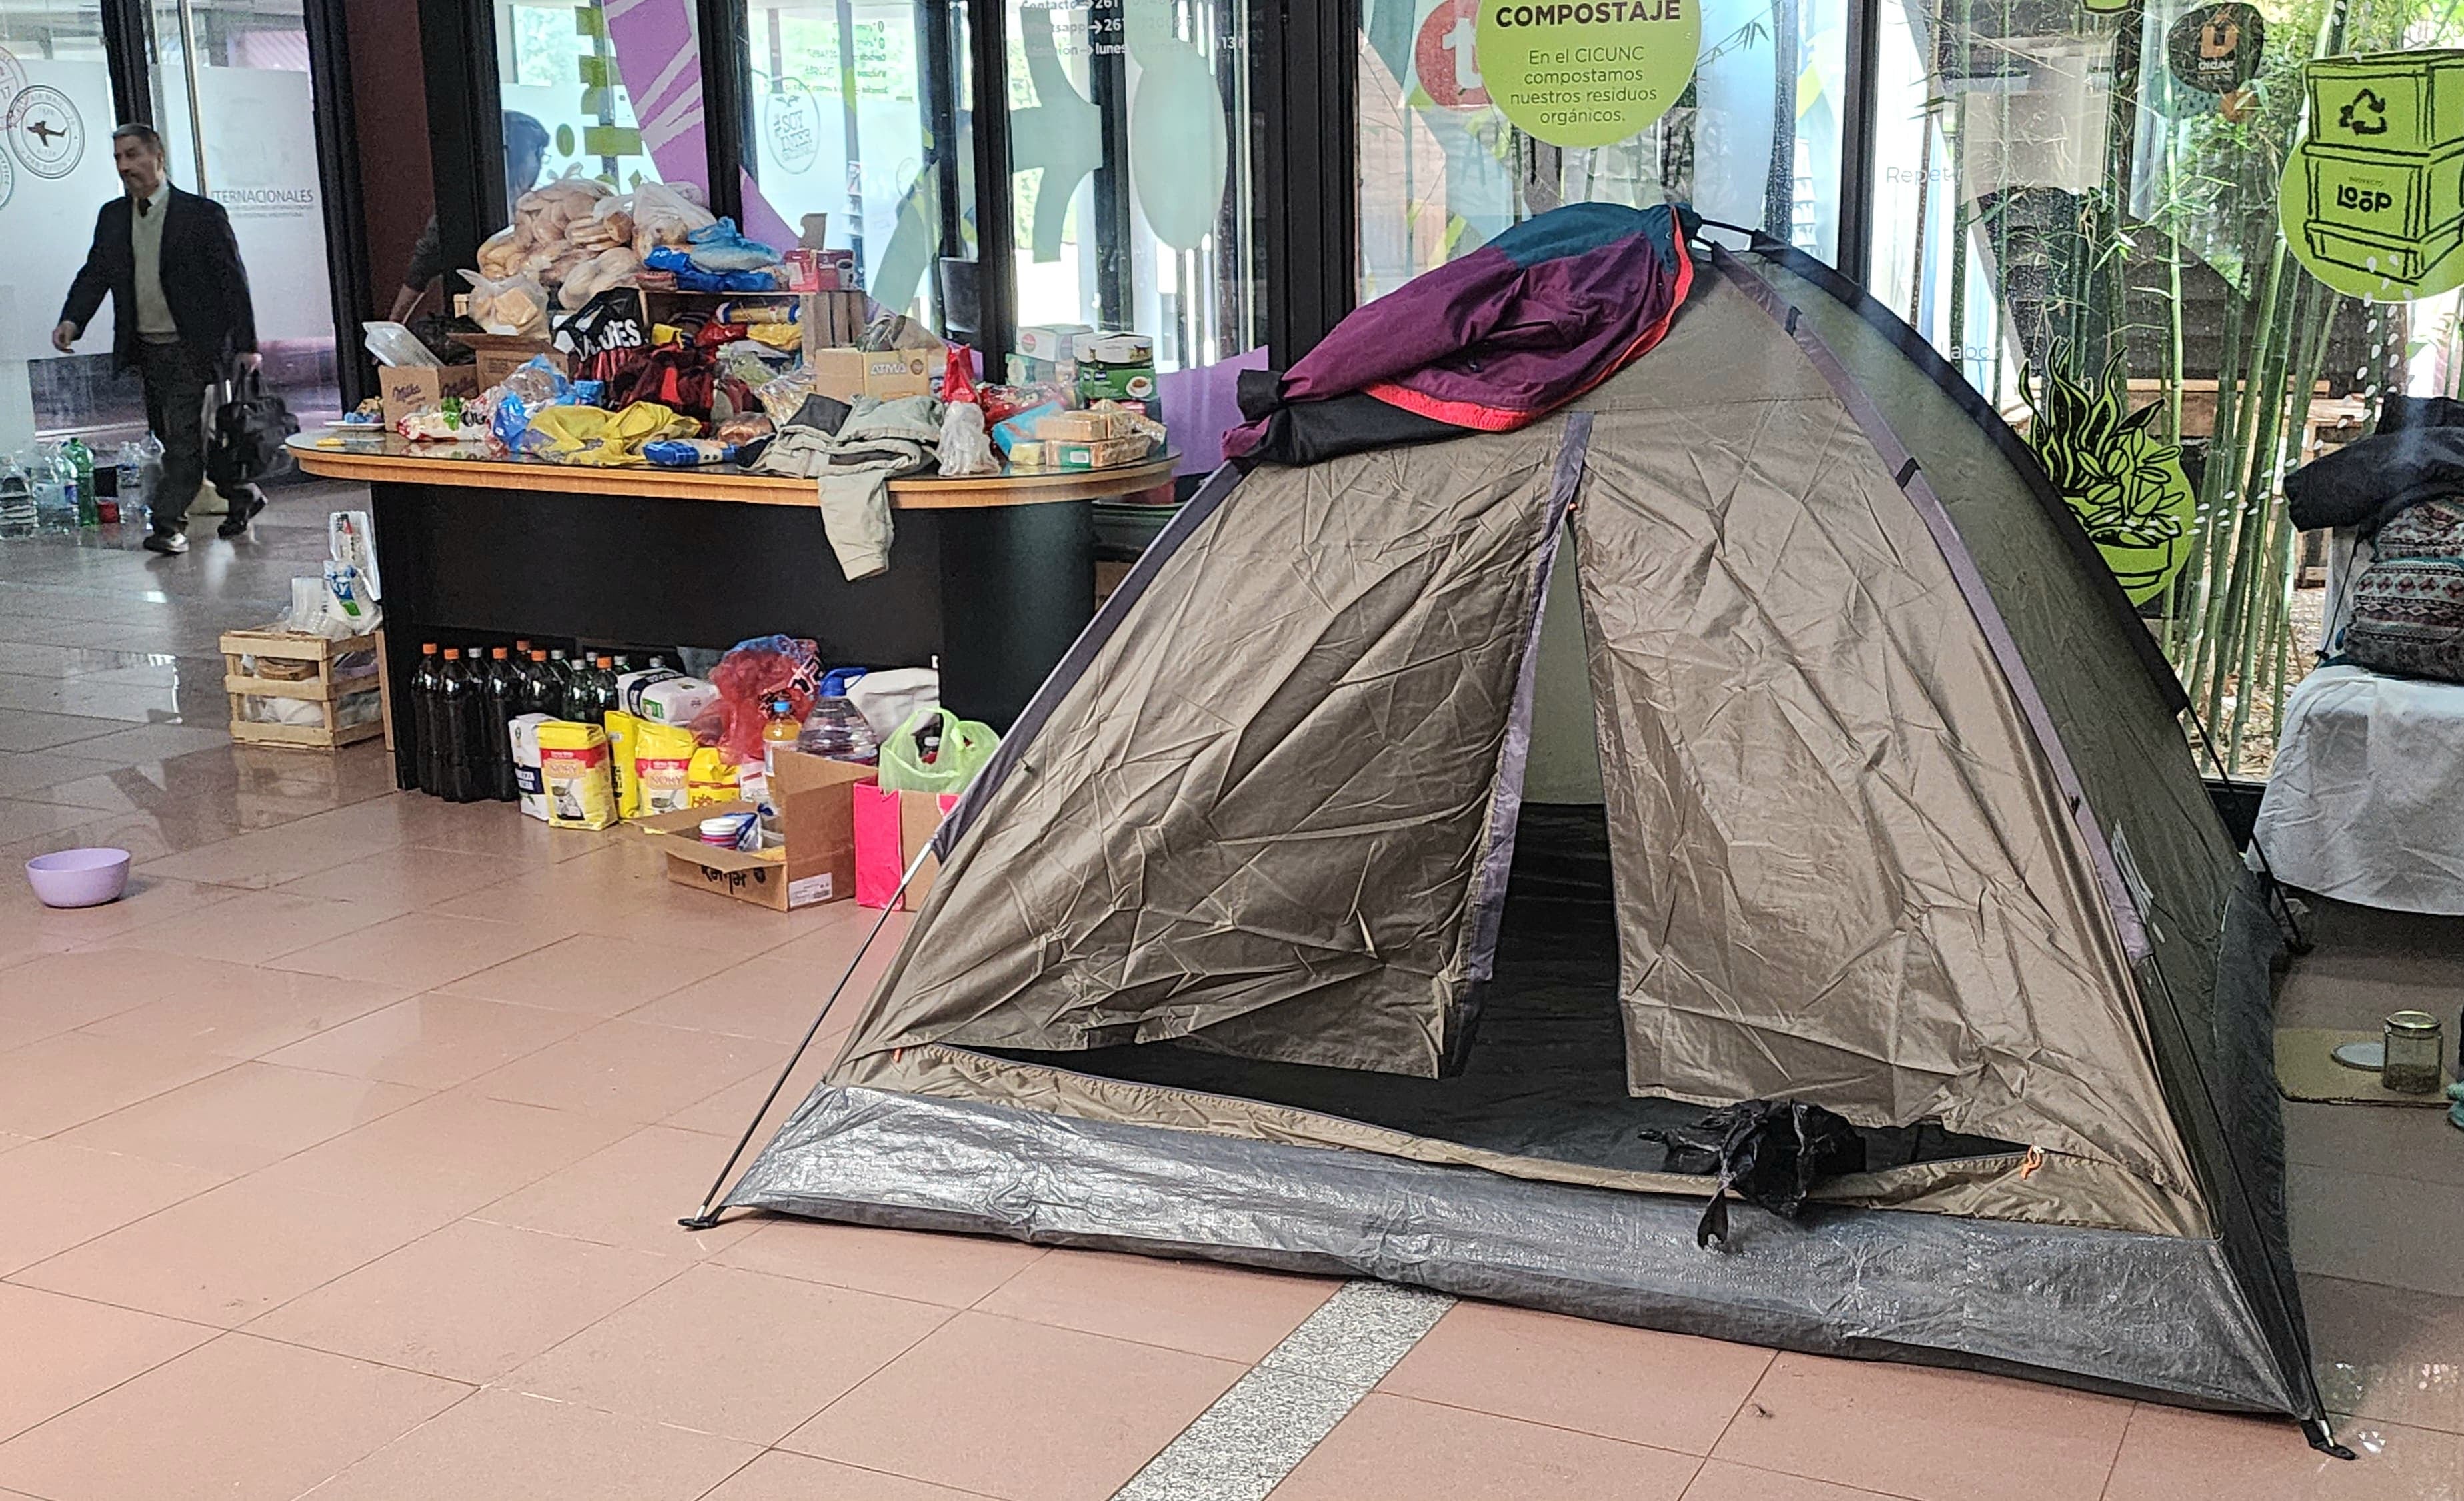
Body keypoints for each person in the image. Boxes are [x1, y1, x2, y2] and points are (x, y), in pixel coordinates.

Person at [53, 123, 261, 555]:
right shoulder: (113, 217)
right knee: (178, 437)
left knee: (184, 437)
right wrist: (73, 320)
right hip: (146, 348)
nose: (124, 166)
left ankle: (167, 524)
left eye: (132, 155)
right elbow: (96, 273)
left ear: (158, 157)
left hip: (193, 346)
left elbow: (232, 282)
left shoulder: (201, 214)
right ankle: (242, 495)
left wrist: (247, 343)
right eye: (117, 158)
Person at [390, 111, 551, 321]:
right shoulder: (464, 210)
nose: (539, 163)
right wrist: (394, 325)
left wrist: (394, 322)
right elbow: (420, 270)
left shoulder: (546, 209)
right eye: (536, 154)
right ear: (518, 156)